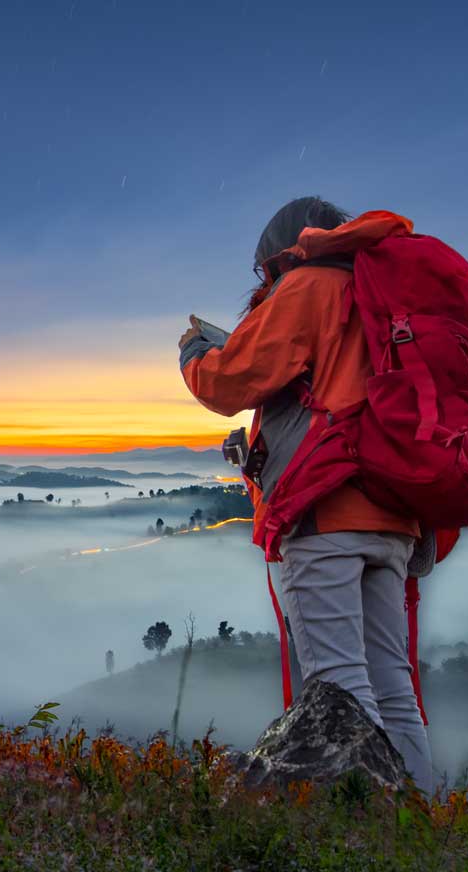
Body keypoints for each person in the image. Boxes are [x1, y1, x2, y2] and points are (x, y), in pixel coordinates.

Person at [177, 197, 437, 789]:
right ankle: (425, 828)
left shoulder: (311, 285)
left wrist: (194, 353)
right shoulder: (387, 294)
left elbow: (230, 380)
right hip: (394, 514)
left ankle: (365, 839)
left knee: (338, 686)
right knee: (394, 686)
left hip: (324, 510)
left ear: (280, 255)